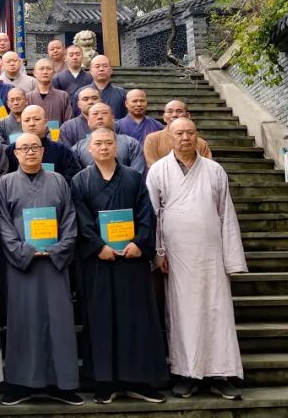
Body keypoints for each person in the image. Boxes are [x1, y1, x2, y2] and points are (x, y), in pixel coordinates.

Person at [147, 118, 246, 400]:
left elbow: (226, 214)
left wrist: (232, 258)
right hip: (177, 254)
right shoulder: (158, 170)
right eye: (179, 133)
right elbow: (152, 213)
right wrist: (158, 252)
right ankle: (187, 373)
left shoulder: (214, 170)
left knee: (217, 311)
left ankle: (220, 373)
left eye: (190, 132)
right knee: (183, 313)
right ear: (169, 137)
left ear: (197, 136)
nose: (185, 138)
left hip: (211, 253)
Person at [71, 128, 167, 403]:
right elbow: (80, 219)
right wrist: (98, 247)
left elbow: (146, 214)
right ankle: (105, 382)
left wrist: (139, 243)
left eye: (108, 143)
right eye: (98, 143)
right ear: (89, 148)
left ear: (117, 146)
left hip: (131, 261)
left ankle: (140, 381)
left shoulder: (134, 177)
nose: (103, 147)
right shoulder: (80, 180)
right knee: (101, 319)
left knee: (137, 319)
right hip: (99, 262)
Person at [0, 133, 81, 406]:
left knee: (59, 322)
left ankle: (63, 384)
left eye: (35, 147)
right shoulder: (5, 183)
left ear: (43, 151)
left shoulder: (59, 181)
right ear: (16, 154)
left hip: (55, 264)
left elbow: (69, 218)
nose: (30, 152)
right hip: (22, 265)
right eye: (24, 148)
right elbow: (3, 223)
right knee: (23, 321)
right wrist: (24, 251)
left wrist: (57, 249)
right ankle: (21, 384)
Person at [7, 105, 83, 180]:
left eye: (36, 119)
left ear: (45, 122)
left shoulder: (61, 151)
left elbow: (72, 176)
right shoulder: (11, 151)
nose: (32, 124)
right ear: (21, 124)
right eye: (27, 120)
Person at [72, 103, 146, 175]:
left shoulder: (131, 143)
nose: (100, 117)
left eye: (104, 113)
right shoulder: (78, 148)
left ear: (113, 118)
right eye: (95, 114)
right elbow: (75, 176)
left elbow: (137, 174)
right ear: (88, 120)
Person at [143, 100, 212, 166]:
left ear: (188, 115)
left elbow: (207, 167)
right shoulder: (152, 139)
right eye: (170, 111)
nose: (174, 115)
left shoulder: (201, 144)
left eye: (179, 111)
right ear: (164, 117)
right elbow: (154, 167)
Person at [27, 58, 72, 125]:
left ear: (54, 73)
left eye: (49, 69)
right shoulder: (28, 97)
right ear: (34, 73)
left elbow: (68, 122)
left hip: (58, 131)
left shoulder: (63, 96)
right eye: (41, 69)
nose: (45, 72)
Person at [82, 55, 128, 119]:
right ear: (90, 71)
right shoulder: (81, 93)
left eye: (105, 66)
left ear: (111, 70)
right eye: (97, 66)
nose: (101, 69)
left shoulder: (122, 94)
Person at [52, 44, 93, 112]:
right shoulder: (57, 79)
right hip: (66, 113)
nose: (75, 57)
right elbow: (56, 101)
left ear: (82, 57)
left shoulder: (90, 77)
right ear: (65, 58)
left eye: (78, 54)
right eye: (71, 55)